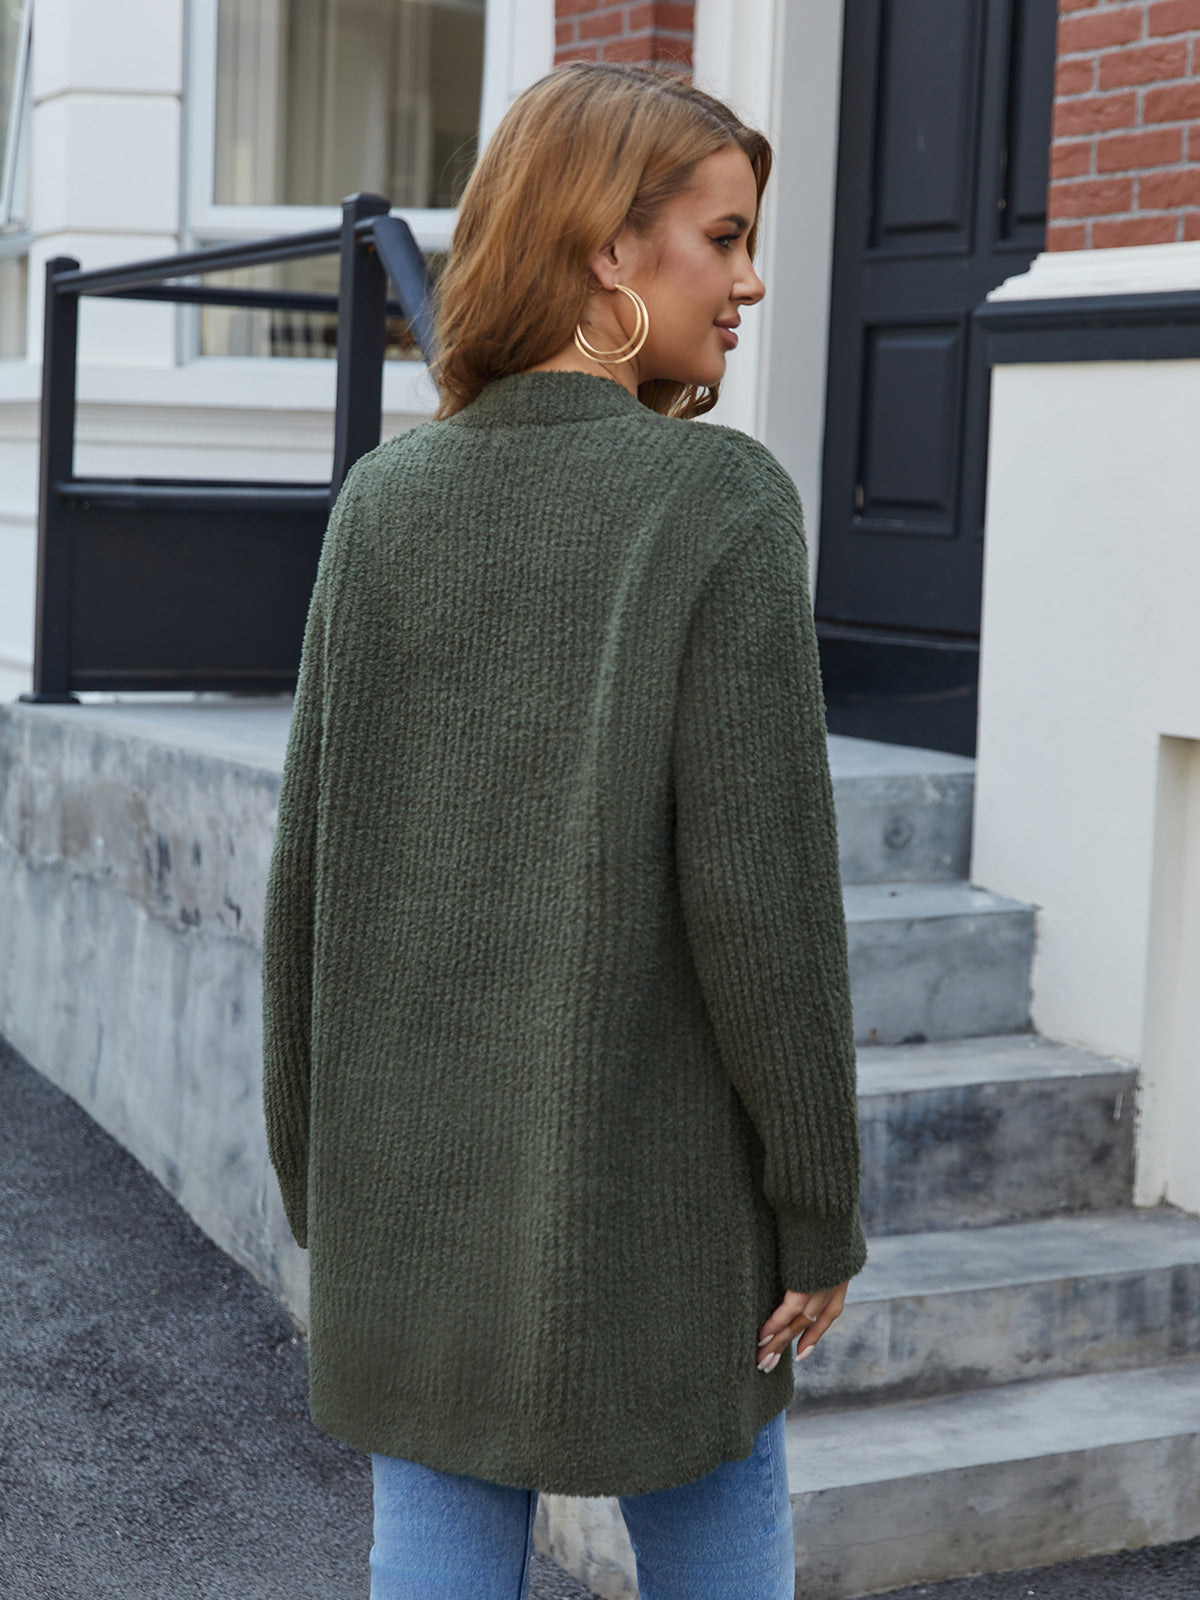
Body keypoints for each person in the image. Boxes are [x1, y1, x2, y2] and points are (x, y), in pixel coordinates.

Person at [261, 59, 868, 1600]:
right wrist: (818, 1210)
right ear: (611, 246)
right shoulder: (718, 504)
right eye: (721, 238)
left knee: (436, 1560)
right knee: (723, 1550)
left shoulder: (384, 503)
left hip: (405, 1190)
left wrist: (316, 1179)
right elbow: (767, 910)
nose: (748, 280)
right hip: (661, 1207)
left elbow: (306, 889)